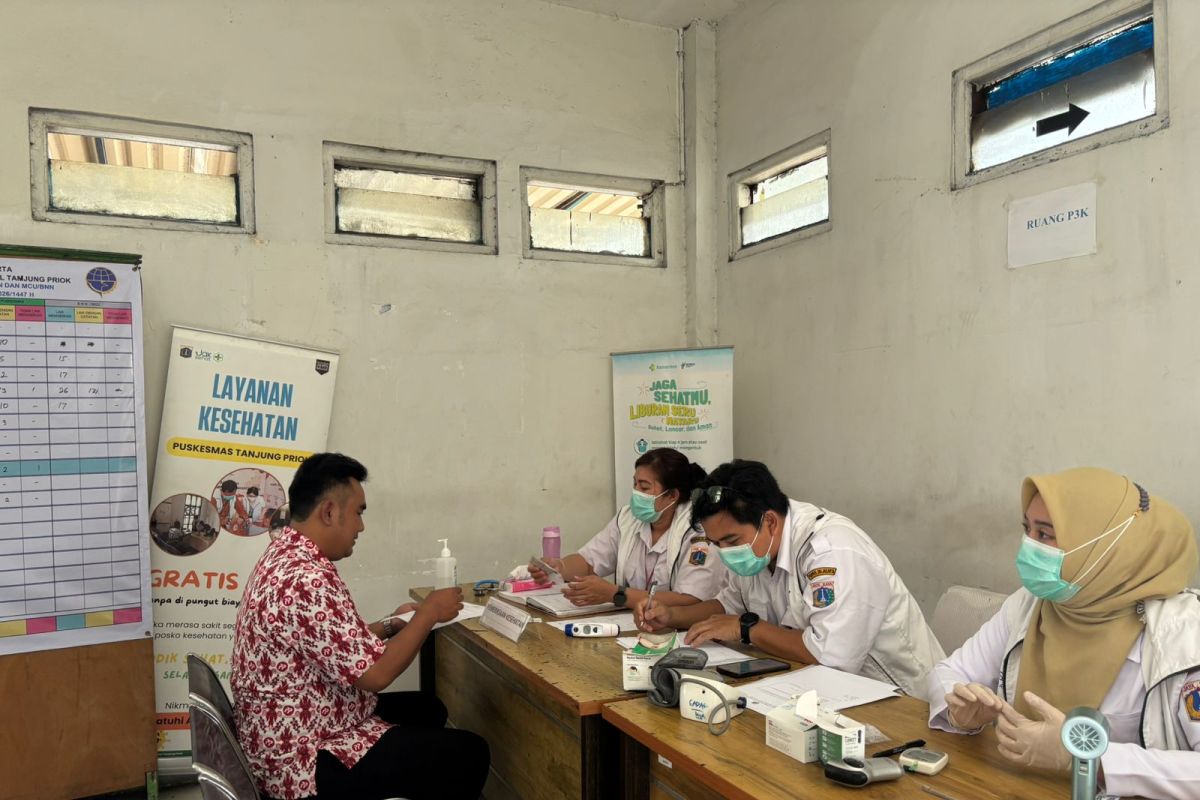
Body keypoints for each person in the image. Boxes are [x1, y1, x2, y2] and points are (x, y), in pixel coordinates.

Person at [929, 467, 1200, 800]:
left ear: (1106, 545)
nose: (1028, 546)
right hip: (1014, 787)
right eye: (1027, 530)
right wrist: (959, 709)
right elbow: (949, 673)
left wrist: (1089, 758)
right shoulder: (1033, 604)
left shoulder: (1184, 636)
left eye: (1045, 535)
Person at [231, 453, 489, 800]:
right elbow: (376, 674)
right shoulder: (305, 578)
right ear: (329, 512)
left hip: (294, 730)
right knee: (469, 753)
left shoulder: (285, 555)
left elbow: (330, 642)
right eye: (359, 513)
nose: (361, 527)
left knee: (428, 708)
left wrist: (390, 625)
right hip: (301, 763)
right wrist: (428, 614)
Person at [636, 459, 944, 699]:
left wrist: (748, 629)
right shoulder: (758, 548)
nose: (725, 553)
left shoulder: (831, 551)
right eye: (716, 544)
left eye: (731, 541)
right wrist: (673, 616)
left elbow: (830, 658)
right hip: (813, 692)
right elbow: (727, 606)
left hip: (900, 703)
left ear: (769, 521)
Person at [528, 448, 722, 612]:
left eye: (644, 487)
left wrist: (616, 594)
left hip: (679, 631)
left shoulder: (699, 530)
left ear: (671, 496)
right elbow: (588, 562)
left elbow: (690, 600)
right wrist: (559, 567)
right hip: (632, 624)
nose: (636, 493)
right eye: (635, 484)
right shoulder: (628, 518)